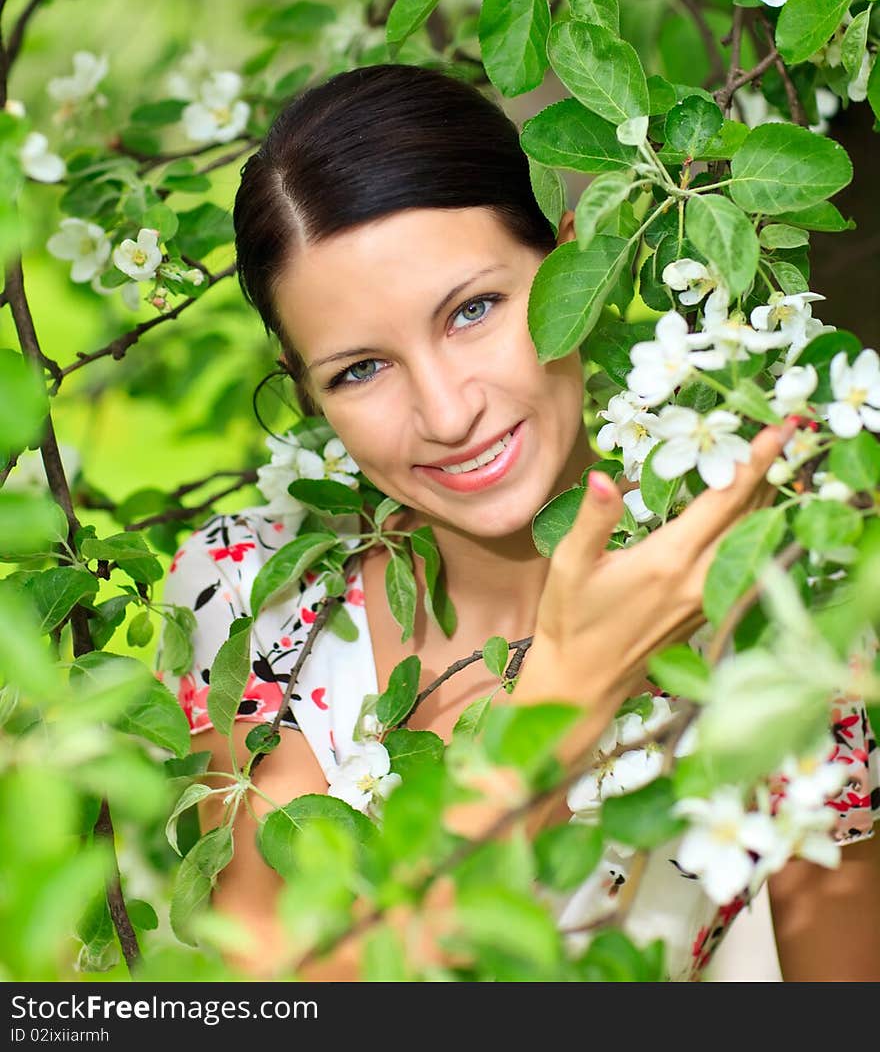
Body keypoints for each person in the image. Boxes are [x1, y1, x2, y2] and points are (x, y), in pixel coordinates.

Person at [156, 63, 880, 982]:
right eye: (359, 370)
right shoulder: (253, 603)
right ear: (309, 398)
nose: (448, 412)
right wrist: (570, 695)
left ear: (575, 265)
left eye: (473, 311)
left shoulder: (787, 615)